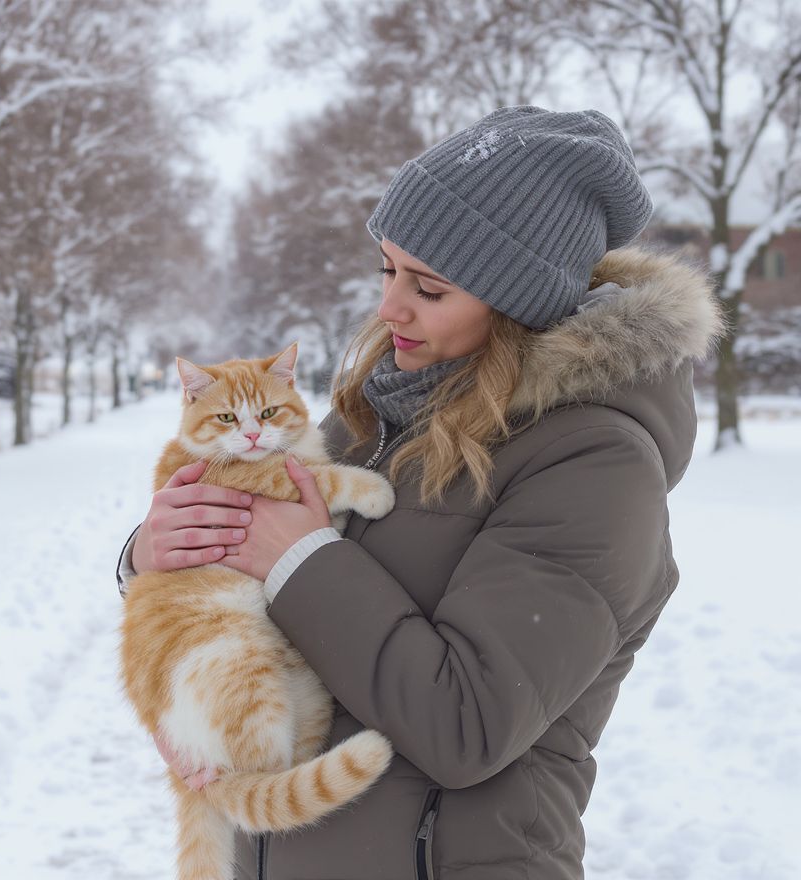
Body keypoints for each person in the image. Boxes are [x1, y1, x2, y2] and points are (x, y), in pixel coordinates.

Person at [115, 105, 726, 880]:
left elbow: (466, 725)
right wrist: (159, 557)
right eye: (387, 269)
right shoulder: (377, 413)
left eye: (427, 287)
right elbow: (261, 602)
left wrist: (300, 556)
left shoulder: (596, 464)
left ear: (517, 300)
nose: (387, 307)